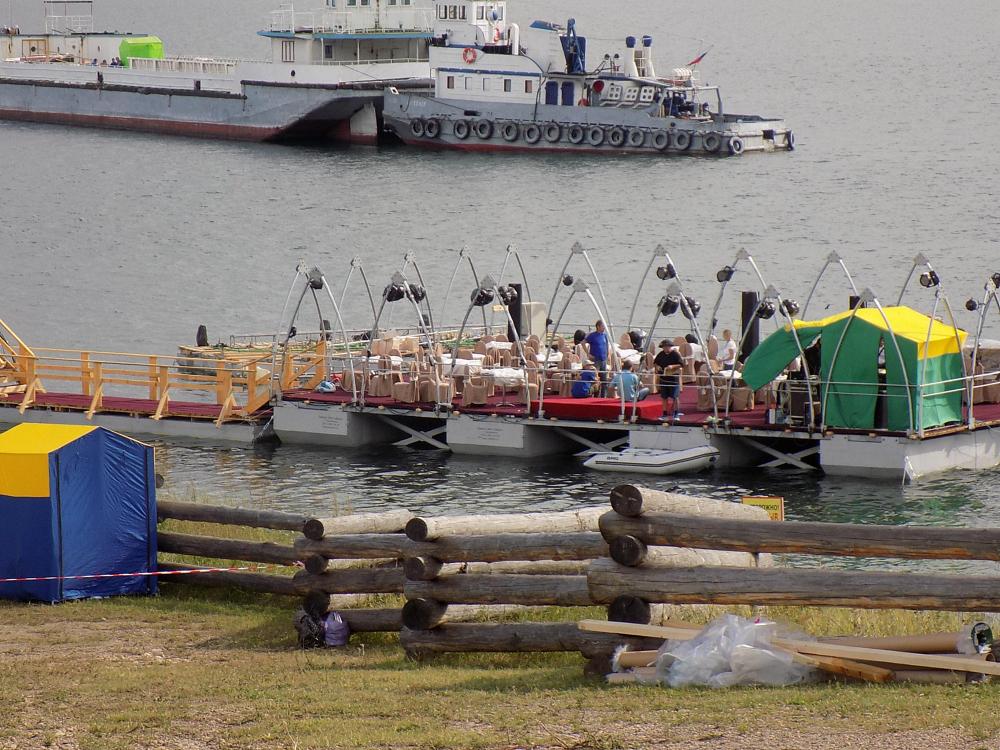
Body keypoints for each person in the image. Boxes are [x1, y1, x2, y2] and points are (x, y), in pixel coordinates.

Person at [654, 339, 684, 421]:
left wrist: (672, 366)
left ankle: (676, 413)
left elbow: (681, 364)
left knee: (675, 397)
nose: (665, 349)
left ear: (670, 347)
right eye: (664, 347)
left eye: (667, 347)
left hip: (673, 379)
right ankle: (664, 414)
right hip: (663, 378)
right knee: (664, 397)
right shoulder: (661, 354)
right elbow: (655, 362)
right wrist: (657, 367)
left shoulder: (675, 354)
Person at [584, 320, 610, 395]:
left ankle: (603, 396)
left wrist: (607, 354)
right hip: (595, 359)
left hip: (603, 359)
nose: (604, 328)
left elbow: (606, 345)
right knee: (595, 379)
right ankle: (594, 395)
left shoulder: (604, 335)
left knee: (604, 379)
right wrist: (588, 354)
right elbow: (583, 343)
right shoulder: (592, 335)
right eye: (602, 326)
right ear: (598, 327)